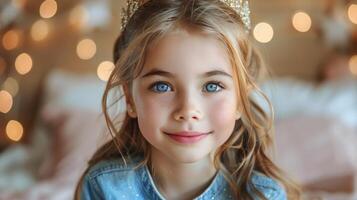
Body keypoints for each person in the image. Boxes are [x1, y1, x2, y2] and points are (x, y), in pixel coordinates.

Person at [74, 0, 301, 199]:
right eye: (162, 86)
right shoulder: (104, 188)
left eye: (212, 86)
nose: (188, 110)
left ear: (240, 99)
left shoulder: (263, 196)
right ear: (130, 99)